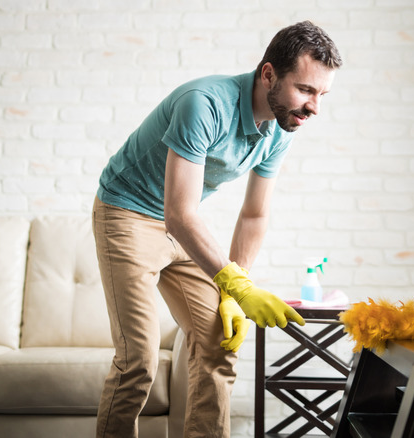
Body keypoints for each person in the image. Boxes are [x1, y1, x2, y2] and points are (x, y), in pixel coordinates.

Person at [92, 20, 342, 438]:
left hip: (179, 224)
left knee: (219, 343)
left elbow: (254, 216)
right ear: (268, 75)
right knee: (138, 360)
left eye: (322, 94)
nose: (314, 106)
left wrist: (231, 287)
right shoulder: (203, 103)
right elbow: (180, 213)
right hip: (128, 213)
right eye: (306, 89)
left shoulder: (281, 127)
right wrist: (241, 289)